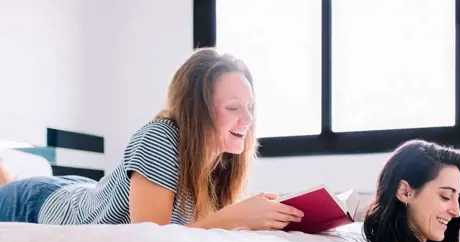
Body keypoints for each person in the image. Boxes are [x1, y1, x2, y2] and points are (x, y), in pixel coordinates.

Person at [0, 48, 303, 230]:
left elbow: (197, 232)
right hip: (38, 202)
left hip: (82, 189)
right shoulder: (160, 138)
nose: (248, 120)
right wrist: (238, 217)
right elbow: (151, 238)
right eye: (233, 108)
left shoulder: (219, 162)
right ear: (198, 110)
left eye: (249, 108)